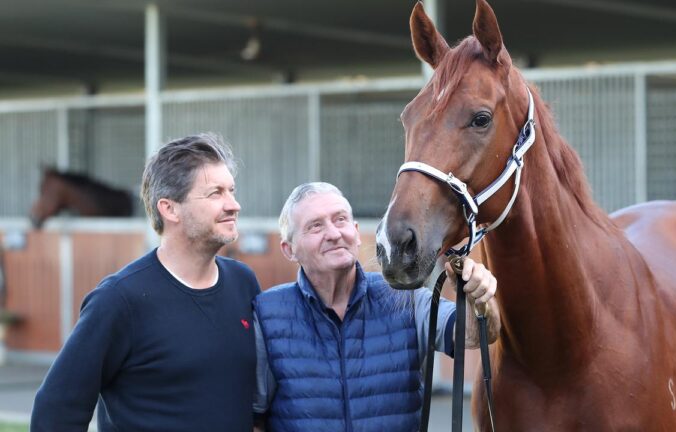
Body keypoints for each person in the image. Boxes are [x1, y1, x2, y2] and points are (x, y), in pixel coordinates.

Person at [31, 134, 262, 432]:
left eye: (231, 190)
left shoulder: (243, 283)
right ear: (170, 209)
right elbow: (56, 410)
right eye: (215, 193)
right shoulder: (118, 300)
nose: (234, 205)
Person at [252, 182, 500, 431]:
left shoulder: (405, 297)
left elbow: (475, 333)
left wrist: (478, 297)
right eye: (315, 226)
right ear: (289, 249)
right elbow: (255, 418)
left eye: (340, 220)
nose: (334, 233)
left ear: (356, 233)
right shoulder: (267, 315)